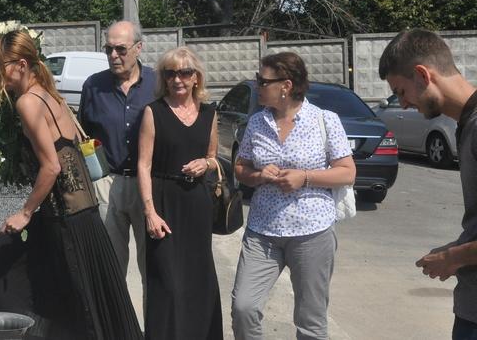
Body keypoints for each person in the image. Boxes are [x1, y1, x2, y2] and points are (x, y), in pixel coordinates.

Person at [0, 29, 142, 340]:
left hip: (64, 221)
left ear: (21, 64)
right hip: (84, 217)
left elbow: (51, 166)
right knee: (87, 305)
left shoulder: (28, 103)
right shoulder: (53, 96)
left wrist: (25, 212)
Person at [231, 51, 356, 340]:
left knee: (310, 321)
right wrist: (258, 176)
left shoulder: (324, 120)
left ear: (286, 86)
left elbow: (347, 172)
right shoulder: (257, 122)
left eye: (263, 81)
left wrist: (305, 177)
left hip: (312, 233)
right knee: (243, 307)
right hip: (262, 231)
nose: (257, 85)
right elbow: (240, 167)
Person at [379, 29, 477, 340]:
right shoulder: (467, 124)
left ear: (423, 75)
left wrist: (454, 258)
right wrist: (457, 249)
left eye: (401, 91)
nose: (403, 104)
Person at [137, 46, 224, 339]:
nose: (178, 79)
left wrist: (206, 164)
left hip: (197, 204)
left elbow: (213, 157)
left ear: (196, 77)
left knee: (198, 281)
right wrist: (149, 212)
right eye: (170, 73)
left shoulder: (209, 113)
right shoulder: (154, 112)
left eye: (185, 73)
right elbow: (144, 165)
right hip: (164, 202)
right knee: (168, 284)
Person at [78, 20, 156, 292]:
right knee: (109, 268)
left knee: (152, 267)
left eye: (121, 49)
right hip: (107, 183)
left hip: (148, 184)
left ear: (138, 48)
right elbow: (82, 136)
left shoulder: (158, 84)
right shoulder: (93, 86)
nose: (113, 55)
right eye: (108, 49)